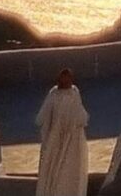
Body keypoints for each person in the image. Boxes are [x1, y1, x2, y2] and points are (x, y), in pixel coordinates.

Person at [33, 67, 88, 196]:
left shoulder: (74, 93)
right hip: (56, 139)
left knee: (69, 168)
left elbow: (79, 115)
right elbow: (44, 116)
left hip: (72, 138)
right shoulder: (54, 94)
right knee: (54, 168)